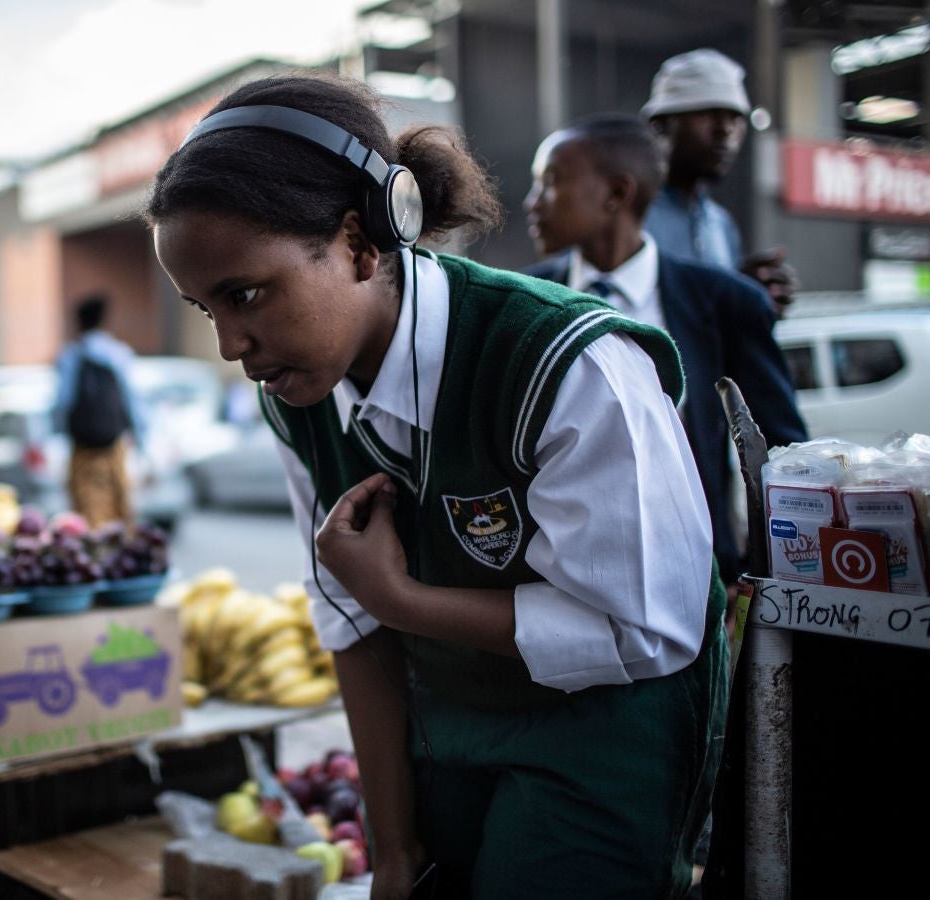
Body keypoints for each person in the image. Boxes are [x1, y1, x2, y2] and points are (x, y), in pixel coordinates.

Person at [148, 73, 727, 899]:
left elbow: (649, 631)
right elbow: (354, 629)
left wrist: (403, 598)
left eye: (246, 294)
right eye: (206, 310)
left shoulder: (567, 366)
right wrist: (391, 853)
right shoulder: (298, 400)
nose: (233, 345)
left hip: (600, 747)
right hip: (447, 738)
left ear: (361, 240)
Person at [523, 113, 807, 588]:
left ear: (617, 194)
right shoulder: (527, 300)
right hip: (559, 577)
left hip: (698, 579)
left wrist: (760, 579)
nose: (533, 204)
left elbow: (784, 457)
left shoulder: (725, 302)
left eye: (550, 184)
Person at [642, 48, 799, 317]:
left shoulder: (721, 225)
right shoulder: (631, 218)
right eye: (707, 114)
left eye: (735, 118)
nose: (725, 131)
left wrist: (748, 296)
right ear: (660, 125)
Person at [52, 294, 147, 527]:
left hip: (83, 447)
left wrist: (59, 435)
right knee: (120, 505)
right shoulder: (119, 353)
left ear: (79, 322)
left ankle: (95, 558)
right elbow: (133, 401)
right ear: (104, 321)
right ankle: (123, 558)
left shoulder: (70, 355)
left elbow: (63, 402)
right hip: (114, 443)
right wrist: (142, 440)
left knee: (88, 509)